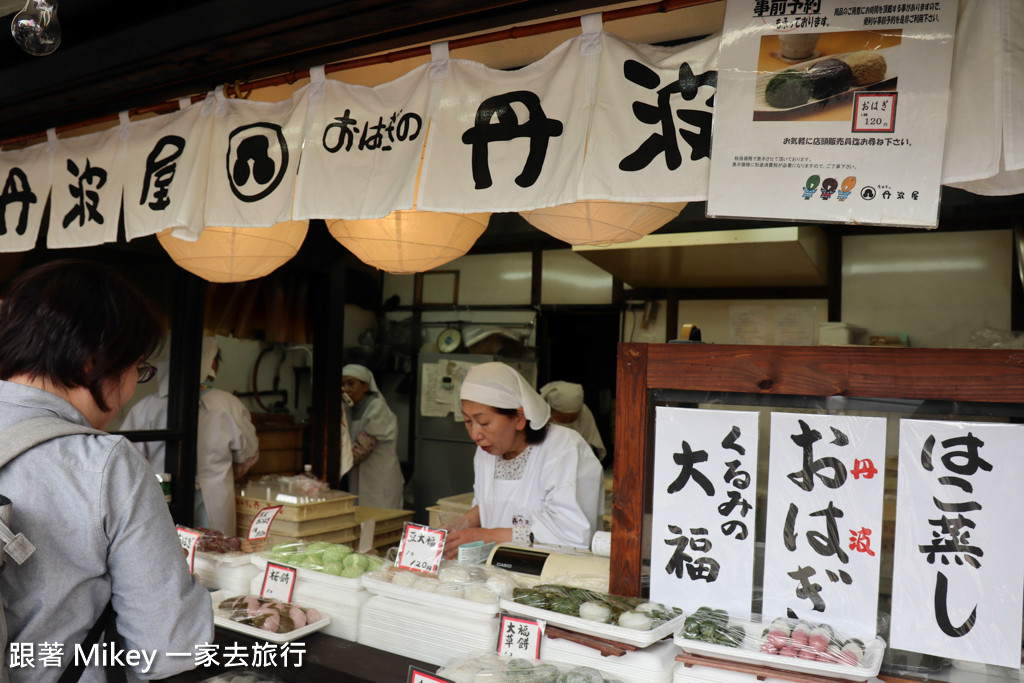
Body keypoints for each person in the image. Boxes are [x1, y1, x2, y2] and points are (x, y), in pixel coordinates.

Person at [0, 259, 213, 682]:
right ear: (92, 361)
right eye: (138, 366)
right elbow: (168, 648)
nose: (135, 384)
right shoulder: (104, 463)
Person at [443, 362, 603, 559]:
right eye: (468, 421)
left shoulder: (564, 448)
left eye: (483, 422)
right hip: (498, 570)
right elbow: (491, 503)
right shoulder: (486, 451)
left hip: (553, 575)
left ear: (519, 417)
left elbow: (570, 534)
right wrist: (463, 524)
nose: (475, 434)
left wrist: (486, 536)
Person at [123, 336, 260, 536]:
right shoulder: (228, 405)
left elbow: (128, 464)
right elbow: (246, 457)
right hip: (215, 502)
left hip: (161, 500)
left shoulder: (144, 408)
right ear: (212, 363)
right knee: (214, 556)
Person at [342, 364, 404, 509]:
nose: (346, 389)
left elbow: (362, 448)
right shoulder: (348, 410)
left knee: (380, 524)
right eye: (343, 385)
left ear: (365, 386)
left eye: (351, 383)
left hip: (379, 481)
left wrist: (334, 465)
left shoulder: (377, 408)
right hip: (359, 480)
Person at [539, 380, 607, 461]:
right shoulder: (542, 415)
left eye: (573, 419)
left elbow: (590, 442)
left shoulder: (584, 413)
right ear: (551, 411)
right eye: (564, 420)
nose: (568, 423)